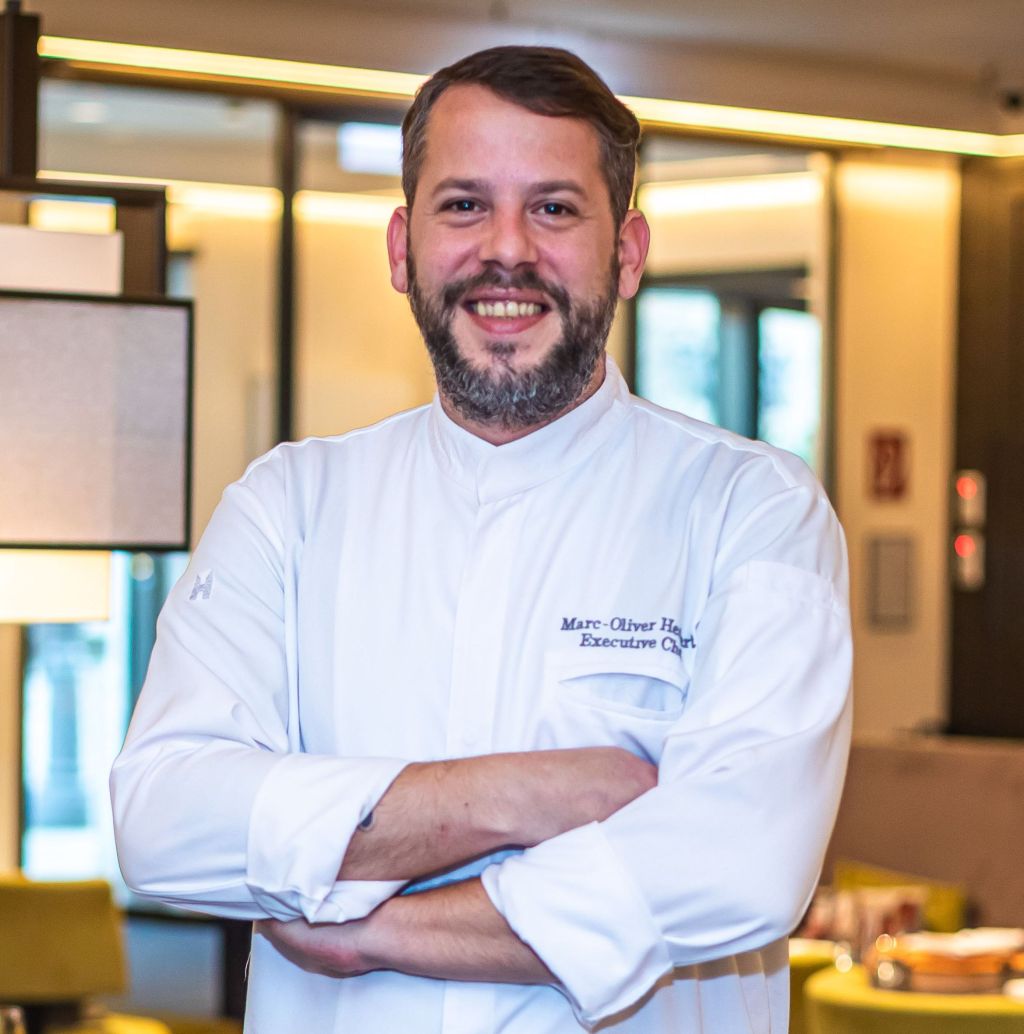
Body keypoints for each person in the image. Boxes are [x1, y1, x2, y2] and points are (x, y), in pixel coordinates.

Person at [110, 45, 852, 1034]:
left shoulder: (750, 511)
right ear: (401, 248)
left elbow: (741, 861)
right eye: (464, 205)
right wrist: (525, 796)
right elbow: (163, 820)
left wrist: (374, 929)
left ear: (628, 252)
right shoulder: (288, 506)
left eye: (554, 208)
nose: (508, 250)